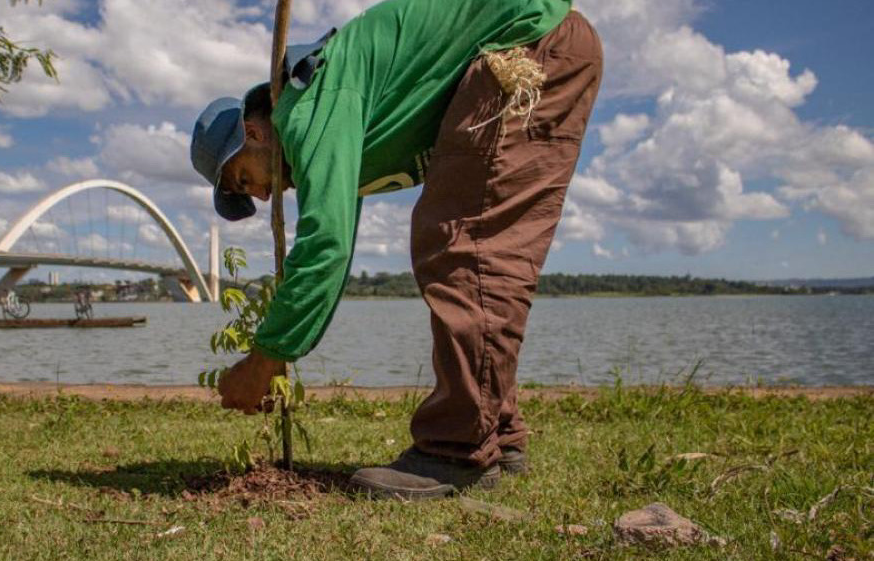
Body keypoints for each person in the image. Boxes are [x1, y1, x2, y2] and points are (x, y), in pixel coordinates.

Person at [190, 0, 602, 499]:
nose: (261, 196)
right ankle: (497, 434)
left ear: (253, 133)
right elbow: (338, 240)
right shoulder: (326, 104)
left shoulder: (308, 107)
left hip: (527, 49)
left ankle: (456, 449)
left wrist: (266, 356)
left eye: (243, 180)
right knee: (464, 241)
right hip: (541, 44)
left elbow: (326, 243)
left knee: (461, 243)